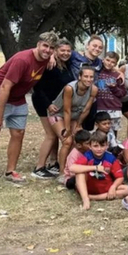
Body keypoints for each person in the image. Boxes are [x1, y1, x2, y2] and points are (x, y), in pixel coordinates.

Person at [0, 31, 58, 189]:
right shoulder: (22, 60)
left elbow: (56, 53)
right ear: (37, 44)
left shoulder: (46, 58)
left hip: (17, 98)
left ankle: (11, 171)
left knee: (18, 133)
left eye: (51, 48)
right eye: (45, 46)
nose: (47, 50)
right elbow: (4, 86)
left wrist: (52, 56)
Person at [32, 38, 75, 179]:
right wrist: (48, 104)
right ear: (55, 51)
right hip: (44, 102)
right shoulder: (50, 65)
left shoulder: (66, 64)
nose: (66, 53)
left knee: (55, 135)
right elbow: (38, 87)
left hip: (58, 104)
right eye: (62, 50)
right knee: (51, 135)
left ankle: (53, 162)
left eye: (68, 51)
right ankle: (39, 167)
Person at [48, 66, 99, 175]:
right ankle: (62, 172)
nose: (89, 79)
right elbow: (66, 110)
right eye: (86, 76)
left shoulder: (94, 89)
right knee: (67, 141)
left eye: (91, 77)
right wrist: (67, 129)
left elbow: (86, 109)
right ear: (79, 77)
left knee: (77, 141)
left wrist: (78, 124)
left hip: (75, 116)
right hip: (59, 113)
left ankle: (71, 167)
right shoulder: (70, 88)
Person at [70, 131, 128, 210]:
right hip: (89, 187)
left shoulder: (111, 158)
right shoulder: (87, 155)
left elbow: (120, 177)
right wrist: (95, 167)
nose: (99, 149)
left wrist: (113, 187)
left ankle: (93, 197)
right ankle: (86, 200)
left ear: (107, 145)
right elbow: (72, 168)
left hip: (106, 187)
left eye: (102, 145)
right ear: (90, 146)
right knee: (80, 173)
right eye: (95, 146)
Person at [95, 51, 126, 134]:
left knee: (113, 134)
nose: (109, 63)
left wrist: (114, 88)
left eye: (113, 62)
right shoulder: (97, 72)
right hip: (100, 107)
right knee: (100, 133)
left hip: (114, 108)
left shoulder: (118, 76)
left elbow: (122, 93)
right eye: (108, 60)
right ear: (103, 60)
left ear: (116, 64)